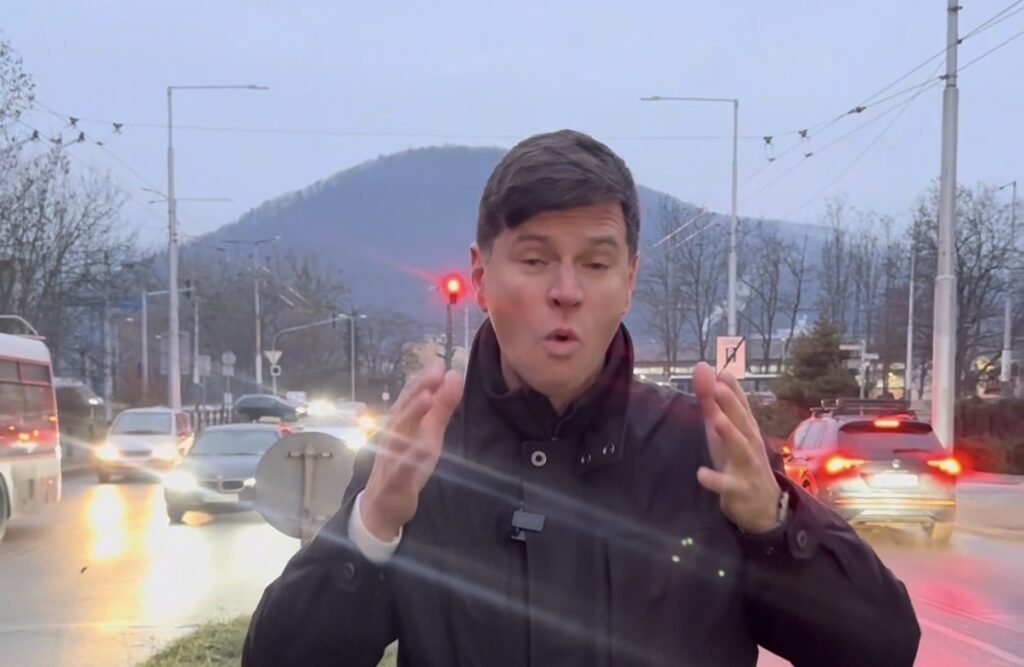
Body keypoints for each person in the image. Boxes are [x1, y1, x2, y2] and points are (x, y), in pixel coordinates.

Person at [243, 130, 920, 666]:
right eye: (535, 259)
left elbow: (882, 648)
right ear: (481, 276)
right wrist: (371, 528)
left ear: (629, 281)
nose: (565, 291)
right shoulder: (419, 460)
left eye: (595, 263)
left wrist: (773, 526)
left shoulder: (707, 455)